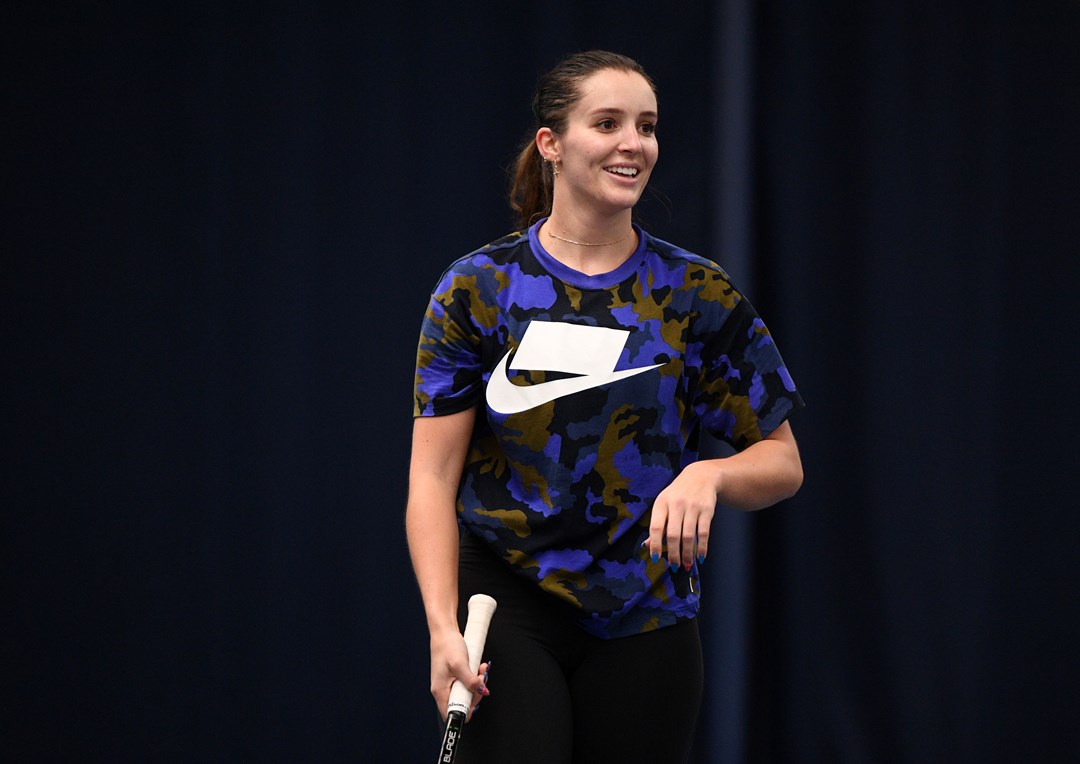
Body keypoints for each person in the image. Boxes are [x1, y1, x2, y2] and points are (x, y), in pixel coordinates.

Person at [406, 50, 804, 763]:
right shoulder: (478, 288)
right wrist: (443, 629)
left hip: (646, 618)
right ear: (551, 145)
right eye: (608, 122)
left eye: (646, 126)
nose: (634, 143)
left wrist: (707, 476)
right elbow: (432, 480)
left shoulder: (696, 293)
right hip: (508, 604)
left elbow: (783, 462)